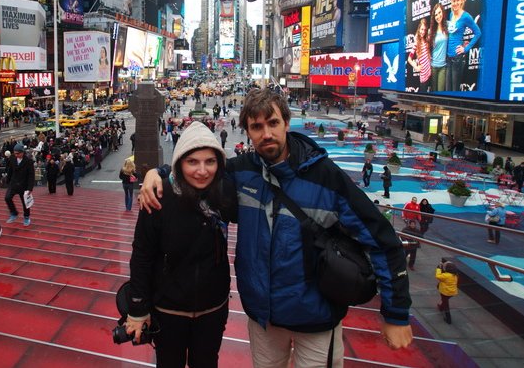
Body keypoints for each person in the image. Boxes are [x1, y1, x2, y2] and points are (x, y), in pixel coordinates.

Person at [139, 88, 413, 366]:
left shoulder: (327, 177)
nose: (266, 133)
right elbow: (198, 168)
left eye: (272, 123)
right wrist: (157, 173)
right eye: (256, 126)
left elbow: (382, 240)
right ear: (247, 130)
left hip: (316, 317)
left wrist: (396, 313)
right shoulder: (241, 171)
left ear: (286, 121)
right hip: (264, 318)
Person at [125, 122, 236, 365]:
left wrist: (158, 169)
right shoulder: (159, 196)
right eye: (192, 162)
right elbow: (142, 255)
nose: (202, 170)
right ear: (180, 163)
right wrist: (137, 309)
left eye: (210, 161)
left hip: (212, 309)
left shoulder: (225, 192)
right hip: (169, 311)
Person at [445, 0, 481, 92]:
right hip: (448, 58)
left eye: (457, 0)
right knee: (447, 90)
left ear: (461, 1)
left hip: (457, 58)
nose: (455, 3)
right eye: (453, 1)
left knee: (454, 91)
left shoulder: (466, 16)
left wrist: (465, 49)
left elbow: (478, 33)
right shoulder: (451, 14)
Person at [5, 143, 34, 226]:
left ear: (22, 152)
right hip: (13, 183)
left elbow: (31, 175)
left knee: (25, 203)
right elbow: (10, 170)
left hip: (23, 184)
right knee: (7, 198)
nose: (16, 155)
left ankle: (26, 217)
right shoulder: (12, 158)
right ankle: (14, 213)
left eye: (18, 153)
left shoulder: (28, 161)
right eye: (15, 153)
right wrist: (8, 181)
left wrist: (30, 188)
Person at [407, 18, 432, 93]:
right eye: (421, 29)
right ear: (419, 29)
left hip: (430, 72)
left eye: (424, 30)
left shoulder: (426, 39)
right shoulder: (416, 43)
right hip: (423, 75)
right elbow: (409, 59)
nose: (423, 32)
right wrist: (416, 67)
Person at [428, 4, 448, 91]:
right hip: (433, 66)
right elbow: (427, 47)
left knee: (440, 92)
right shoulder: (431, 31)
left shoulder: (447, 27)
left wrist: (463, 44)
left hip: (443, 67)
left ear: (442, 13)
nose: (438, 16)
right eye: (436, 14)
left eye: (439, 13)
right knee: (434, 92)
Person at [436, 260, 459, 325]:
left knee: (446, 305)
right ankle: (441, 307)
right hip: (452, 292)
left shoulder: (446, 276)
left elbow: (438, 276)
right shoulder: (455, 275)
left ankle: (448, 319)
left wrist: (438, 268)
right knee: (445, 301)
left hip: (445, 292)